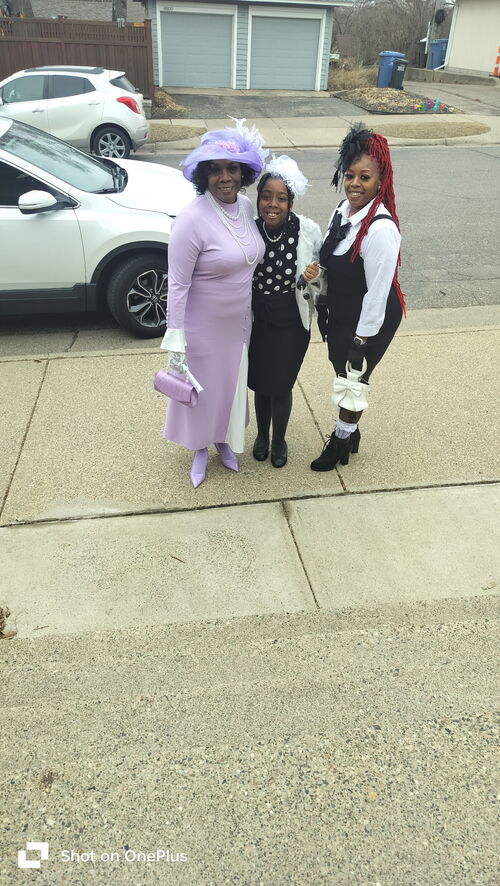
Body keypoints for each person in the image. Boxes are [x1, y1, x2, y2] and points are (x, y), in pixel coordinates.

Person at [159, 119, 267, 488]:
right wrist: (175, 339)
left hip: (239, 324)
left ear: (243, 172)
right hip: (201, 327)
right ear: (204, 174)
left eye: (232, 168)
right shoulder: (191, 219)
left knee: (230, 387)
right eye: (216, 170)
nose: (225, 177)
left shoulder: (247, 206)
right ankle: (199, 449)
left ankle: (223, 439)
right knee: (203, 392)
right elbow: (177, 284)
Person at [310, 124, 406, 472]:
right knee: (342, 370)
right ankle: (351, 432)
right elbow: (329, 255)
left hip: (370, 318)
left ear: (380, 181)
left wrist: (361, 341)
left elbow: (378, 294)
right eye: (349, 175)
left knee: (354, 379)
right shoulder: (343, 210)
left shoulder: (380, 230)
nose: (354, 184)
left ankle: (340, 441)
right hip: (343, 309)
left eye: (365, 177)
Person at [248, 155, 323, 468]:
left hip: (291, 320)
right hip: (256, 320)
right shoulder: (249, 230)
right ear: (258, 199)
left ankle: (279, 439)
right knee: (260, 383)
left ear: (291, 202)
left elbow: (323, 278)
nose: (273, 204)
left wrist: (313, 276)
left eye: (281, 198)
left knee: (280, 385)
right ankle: (261, 435)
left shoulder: (307, 231)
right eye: (266, 196)